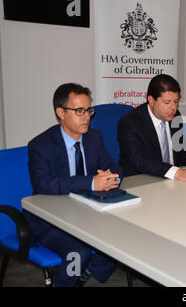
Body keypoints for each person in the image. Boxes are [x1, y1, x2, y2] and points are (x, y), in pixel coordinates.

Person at [24, 83, 122, 287]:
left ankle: (86, 273)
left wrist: (111, 176)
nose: (87, 116)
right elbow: (42, 183)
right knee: (77, 253)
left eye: (88, 110)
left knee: (125, 238)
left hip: (90, 211)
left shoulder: (94, 138)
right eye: (79, 111)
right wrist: (91, 182)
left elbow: (116, 168)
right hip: (50, 217)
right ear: (60, 112)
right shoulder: (40, 145)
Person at [118, 74, 186, 183]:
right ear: (151, 100)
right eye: (167, 102)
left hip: (171, 181)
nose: (173, 107)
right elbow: (140, 161)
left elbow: (181, 148)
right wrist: (177, 172)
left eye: (176, 101)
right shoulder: (130, 123)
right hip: (141, 182)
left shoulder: (175, 116)